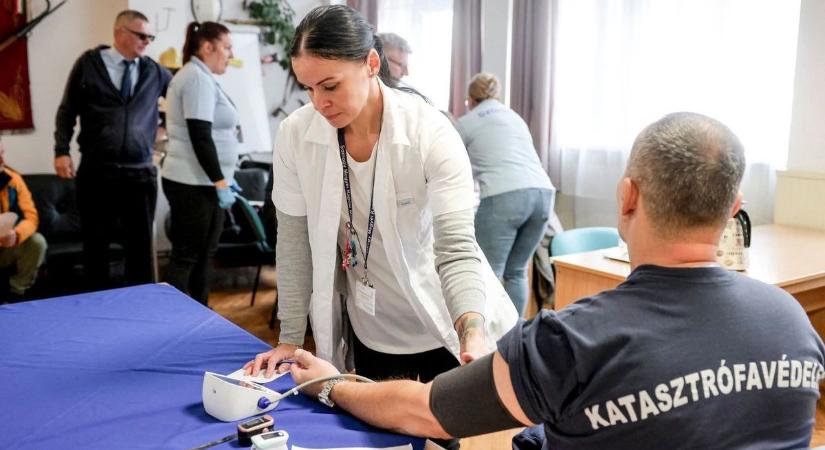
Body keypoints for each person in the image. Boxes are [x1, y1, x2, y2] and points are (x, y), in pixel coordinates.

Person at [287, 112, 825, 449]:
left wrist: (330, 382)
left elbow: (426, 412)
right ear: (734, 208)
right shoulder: (792, 321)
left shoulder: (572, 341)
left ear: (626, 196)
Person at [244, 4, 517, 427]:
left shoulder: (429, 132)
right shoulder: (297, 135)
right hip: (370, 327)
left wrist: (473, 333)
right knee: (370, 431)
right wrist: (291, 338)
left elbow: (456, 249)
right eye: (308, 88)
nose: (319, 103)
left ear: (372, 63)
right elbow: (294, 241)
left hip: (441, 324)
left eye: (330, 86)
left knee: (440, 433)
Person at [53, 10, 172, 290]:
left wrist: (164, 126)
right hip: (97, 172)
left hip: (140, 175)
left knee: (140, 250)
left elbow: (180, 101)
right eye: (141, 35)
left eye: (150, 37)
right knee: (96, 247)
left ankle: (142, 312)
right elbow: (67, 111)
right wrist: (61, 150)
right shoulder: (89, 64)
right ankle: (99, 314)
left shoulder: (154, 71)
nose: (147, 41)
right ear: (120, 33)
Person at [456, 73, 555, 315]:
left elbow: (452, 165)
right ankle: (514, 339)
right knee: (517, 271)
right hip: (543, 195)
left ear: (470, 100)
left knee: (488, 274)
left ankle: (485, 340)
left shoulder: (466, 122)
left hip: (505, 197)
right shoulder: (515, 118)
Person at [161, 21, 239, 306]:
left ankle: (199, 319)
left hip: (204, 182)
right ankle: (176, 320)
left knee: (204, 255)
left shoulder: (202, 76)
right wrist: (219, 180)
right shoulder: (195, 77)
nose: (231, 54)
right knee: (187, 256)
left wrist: (223, 179)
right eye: (227, 47)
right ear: (207, 47)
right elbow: (200, 135)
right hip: (193, 183)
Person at [0, 137, 47, 302]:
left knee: (37, 242)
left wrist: (16, 234)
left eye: (2, 153)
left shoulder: (13, 180)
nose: (2, 159)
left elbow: (31, 217)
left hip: (7, 245)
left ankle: (16, 293)